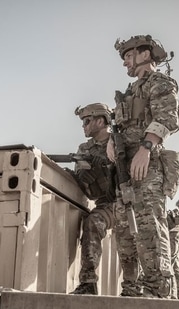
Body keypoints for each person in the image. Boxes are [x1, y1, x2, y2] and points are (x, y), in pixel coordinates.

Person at [107, 34, 179, 298]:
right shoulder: (131, 91)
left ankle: (158, 291)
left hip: (145, 166)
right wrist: (111, 142)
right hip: (125, 168)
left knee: (149, 229)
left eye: (128, 56)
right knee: (125, 233)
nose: (125, 63)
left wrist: (146, 148)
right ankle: (132, 290)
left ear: (145, 55)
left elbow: (168, 117)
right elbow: (123, 126)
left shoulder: (159, 82)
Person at [69, 103, 117, 295]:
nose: (84, 126)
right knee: (93, 221)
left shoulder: (119, 142)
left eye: (87, 121)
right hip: (108, 205)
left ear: (100, 121)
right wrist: (87, 177)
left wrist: (108, 168)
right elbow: (90, 193)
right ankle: (88, 281)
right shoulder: (85, 149)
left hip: (129, 203)